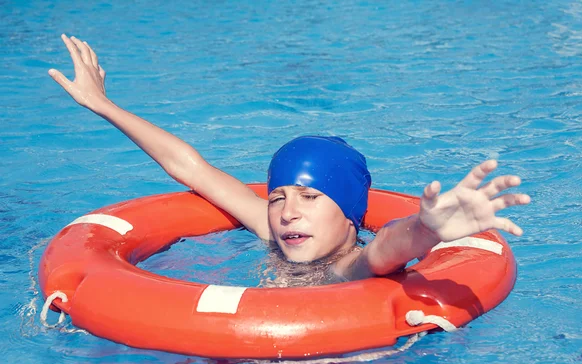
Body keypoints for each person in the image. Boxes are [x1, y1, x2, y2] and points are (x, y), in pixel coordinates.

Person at [48, 34, 531, 284]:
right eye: (277, 196)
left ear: (348, 216)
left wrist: (427, 230)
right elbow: (190, 167)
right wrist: (105, 106)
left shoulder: (353, 266)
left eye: (309, 196)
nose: (287, 210)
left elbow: (390, 244)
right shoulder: (269, 228)